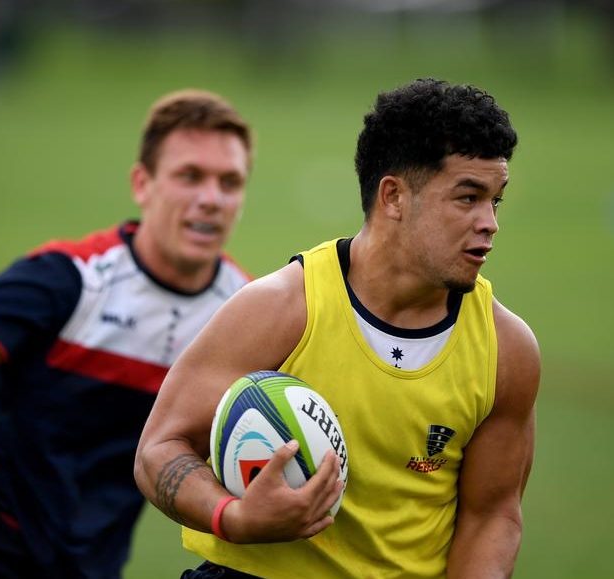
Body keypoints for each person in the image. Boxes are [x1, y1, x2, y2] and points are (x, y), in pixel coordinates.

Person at [134, 78, 541, 579]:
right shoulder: (281, 309)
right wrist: (233, 517)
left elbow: (491, 516)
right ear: (393, 196)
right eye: (468, 197)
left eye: (495, 200)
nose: (489, 223)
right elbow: (160, 450)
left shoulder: (506, 349)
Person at [0, 89, 254, 578]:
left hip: (91, 565)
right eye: (190, 176)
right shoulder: (71, 278)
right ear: (142, 184)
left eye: (230, 182)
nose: (211, 199)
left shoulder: (245, 314)